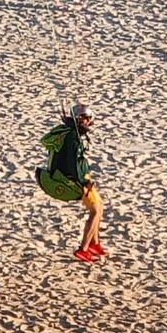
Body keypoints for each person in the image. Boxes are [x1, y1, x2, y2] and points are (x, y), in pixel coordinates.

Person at [55, 103, 105, 262]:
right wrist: (84, 182)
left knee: (99, 205)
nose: (89, 121)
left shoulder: (72, 134)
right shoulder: (74, 139)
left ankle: (95, 244)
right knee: (95, 210)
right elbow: (74, 164)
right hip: (77, 179)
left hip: (82, 177)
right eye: (86, 118)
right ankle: (83, 248)